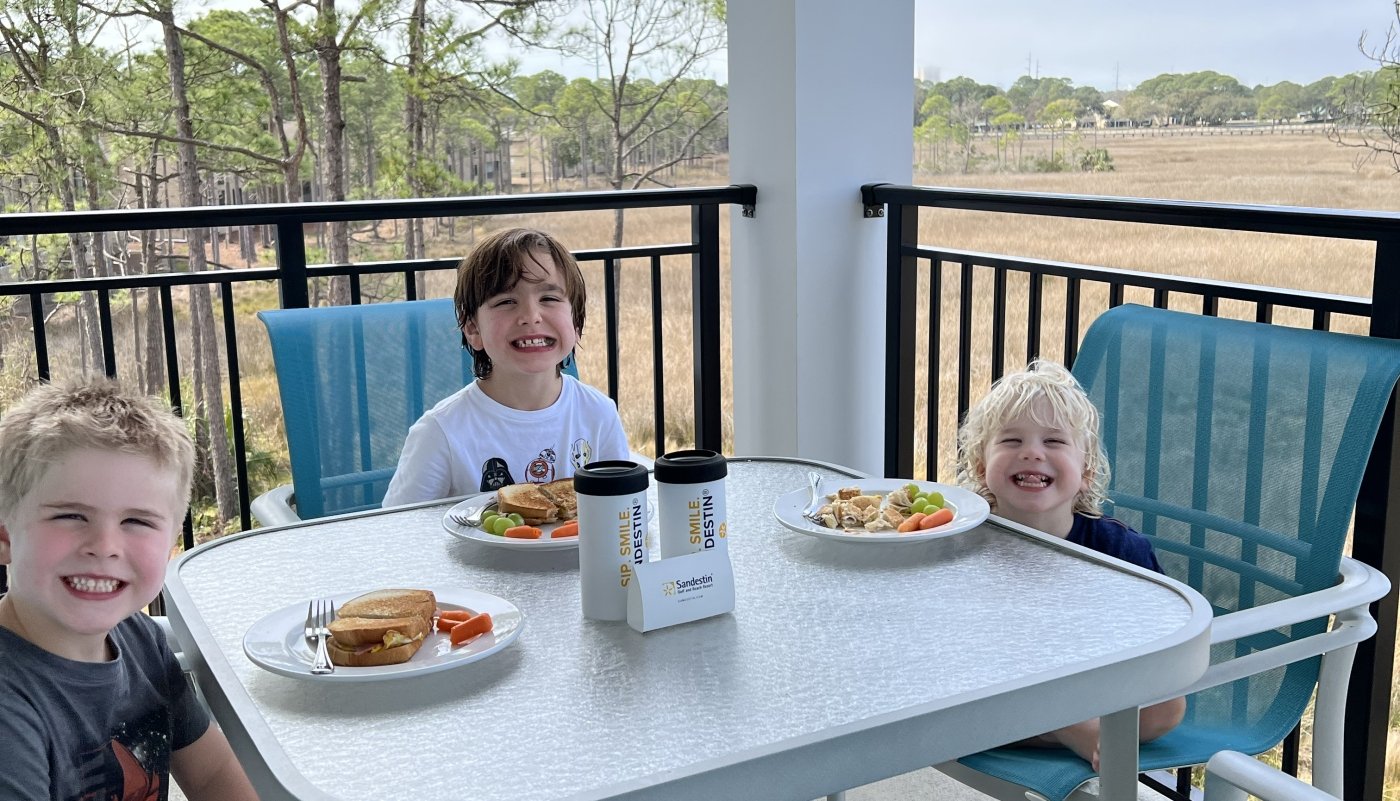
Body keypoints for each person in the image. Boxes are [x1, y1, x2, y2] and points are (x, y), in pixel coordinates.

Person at [0, 379, 258, 801]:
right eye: (70, 516)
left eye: (137, 521)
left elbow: (212, 774)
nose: (104, 546)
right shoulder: (9, 711)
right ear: (4, 535)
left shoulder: (142, 641)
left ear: (170, 541)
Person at [956, 359, 1185, 771]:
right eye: (1011, 440)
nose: (1032, 452)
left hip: (1089, 685)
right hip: (997, 683)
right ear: (981, 467)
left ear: (1086, 472)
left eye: (1054, 441)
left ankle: (1055, 726)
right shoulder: (962, 541)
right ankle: (1074, 732)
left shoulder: (1118, 549)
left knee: (1169, 706)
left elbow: (1163, 638)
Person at [383, 227, 630, 505]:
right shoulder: (441, 432)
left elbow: (624, 507)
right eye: (506, 301)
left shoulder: (598, 414)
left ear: (576, 322)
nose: (531, 316)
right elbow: (398, 527)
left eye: (549, 298)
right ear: (473, 329)